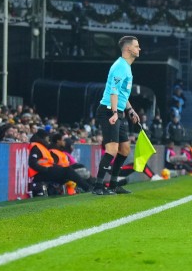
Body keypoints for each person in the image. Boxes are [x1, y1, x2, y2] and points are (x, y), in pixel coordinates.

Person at [94, 36, 141, 195]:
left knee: (125, 149)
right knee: (112, 150)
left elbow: (121, 94)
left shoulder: (126, 67)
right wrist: (114, 113)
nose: (139, 49)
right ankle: (98, 186)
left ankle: (113, 184)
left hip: (118, 111)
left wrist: (130, 110)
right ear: (128, 49)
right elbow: (113, 91)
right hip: (109, 111)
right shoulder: (120, 66)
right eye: (136, 46)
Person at [27, 131, 95, 197]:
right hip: (40, 174)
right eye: (47, 137)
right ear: (44, 137)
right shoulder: (36, 147)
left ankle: (91, 187)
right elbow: (32, 163)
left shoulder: (42, 147)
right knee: (68, 171)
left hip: (45, 171)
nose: (48, 139)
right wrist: (45, 169)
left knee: (74, 170)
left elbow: (49, 162)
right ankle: (88, 188)